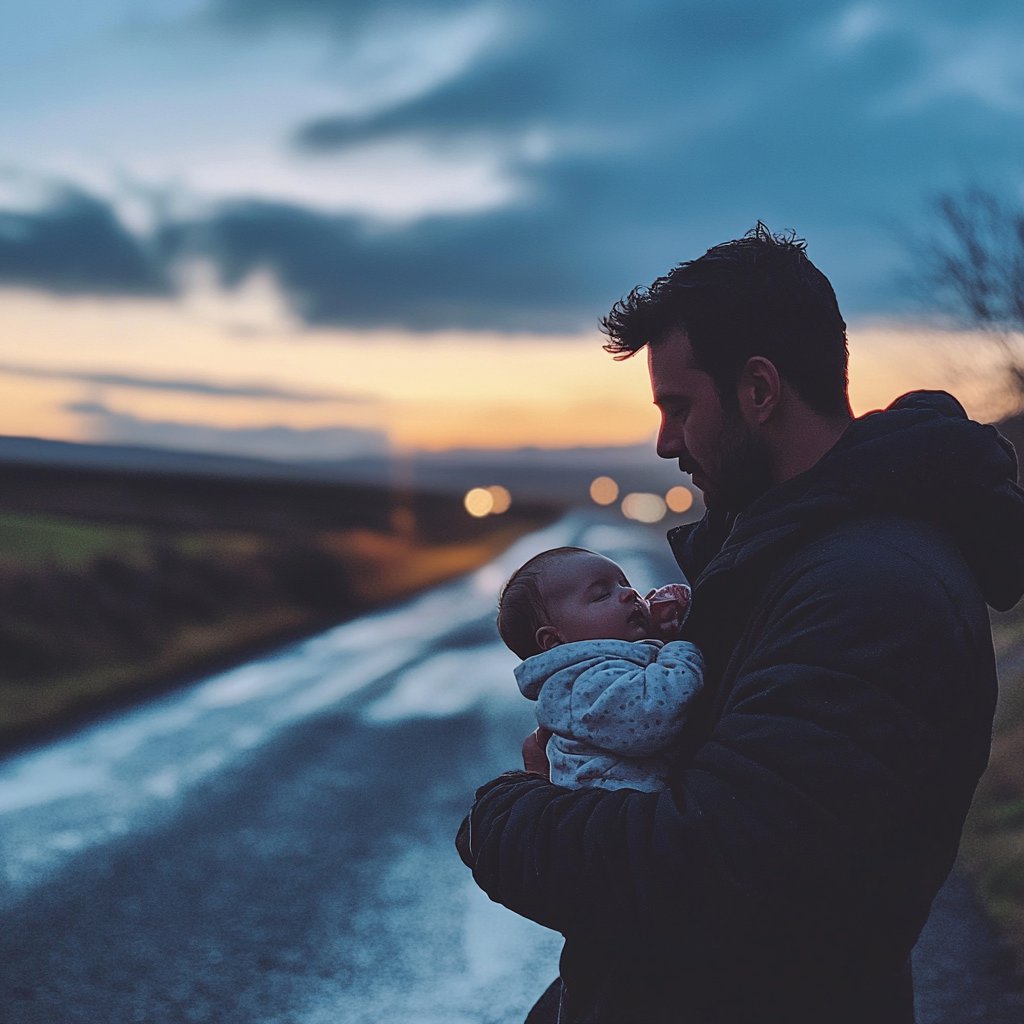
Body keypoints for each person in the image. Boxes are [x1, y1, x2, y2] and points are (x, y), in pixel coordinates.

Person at [456, 223, 1024, 1024]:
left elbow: (715, 876)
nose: (665, 442)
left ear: (759, 391)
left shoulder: (869, 590)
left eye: (679, 407)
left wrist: (506, 819)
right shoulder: (790, 560)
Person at [497, 546, 703, 793]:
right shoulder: (582, 683)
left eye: (623, 583)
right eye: (602, 595)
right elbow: (656, 715)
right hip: (627, 818)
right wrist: (679, 647)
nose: (629, 593)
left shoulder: (607, 667)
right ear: (555, 641)